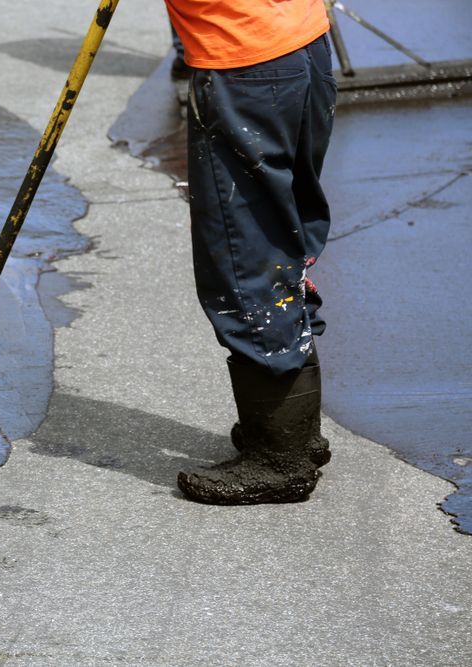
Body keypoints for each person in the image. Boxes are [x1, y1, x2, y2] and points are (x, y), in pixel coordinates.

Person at [165, 0, 338, 504]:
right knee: (284, 241)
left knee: (247, 257)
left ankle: (278, 458)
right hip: (303, 45)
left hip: (243, 64)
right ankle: (295, 431)